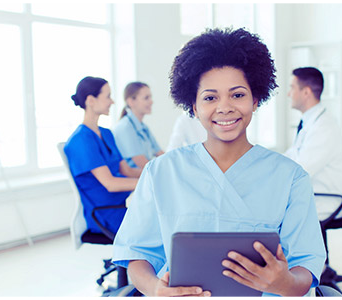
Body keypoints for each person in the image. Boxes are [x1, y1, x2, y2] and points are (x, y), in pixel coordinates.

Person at [112, 28, 326, 298]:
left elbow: (306, 268)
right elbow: (137, 256)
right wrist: (154, 288)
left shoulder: (291, 177)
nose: (224, 107)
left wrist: (284, 283)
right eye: (210, 98)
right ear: (193, 105)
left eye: (237, 95)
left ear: (256, 99)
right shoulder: (161, 172)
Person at [64, 76, 141, 235]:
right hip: (105, 215)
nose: (112, 102)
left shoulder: (106, 134)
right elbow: (110, 183)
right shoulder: (80, 140)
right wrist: (148, 183)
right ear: (91, 100)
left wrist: (156, 174)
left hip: (121, 205)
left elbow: (127, 171)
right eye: (107, 96)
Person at [283, 67, 342, 220]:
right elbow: (293, 154)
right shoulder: (310, 122)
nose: (289, 94)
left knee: (269, 210)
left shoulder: (323, 128)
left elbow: (301, 171)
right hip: (314, 193)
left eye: (292, 88)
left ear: (306, 92)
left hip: (326, 199)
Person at [113, 82, 164, 170]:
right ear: (131, 102)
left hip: (144, 175)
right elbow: (141, 162)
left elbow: (160, 153)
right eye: (146, 98)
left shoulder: (144, 127)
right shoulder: (125, 127)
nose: (151, 102)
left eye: (150, 97)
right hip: (133, 179)